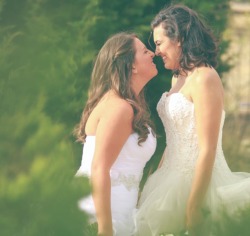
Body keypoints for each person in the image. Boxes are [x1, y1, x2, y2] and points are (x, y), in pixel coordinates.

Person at [134, 4, 250, 236]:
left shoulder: (206, 77)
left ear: (178, 38)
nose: (156, 51)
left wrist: (194, 205)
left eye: (159, 43)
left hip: (199, 183)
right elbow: (173, 140)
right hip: (167, 181)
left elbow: (207, 148)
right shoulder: (177, 78)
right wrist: (154, 183)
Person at [74, 32, 158, 236]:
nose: (153, 54)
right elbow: (99, 167)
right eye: (145, 51)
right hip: (101, 215)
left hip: (121, 209)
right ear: (132, 65)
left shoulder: (124, 105)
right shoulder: (119, 107)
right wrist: (105, 229)